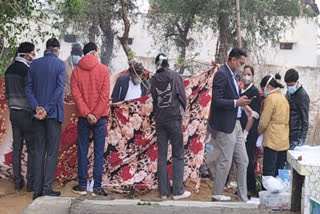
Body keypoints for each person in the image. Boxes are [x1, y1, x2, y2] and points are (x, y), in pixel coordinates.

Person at [25, 38, 65, 200]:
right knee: (51, 152)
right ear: (57, 50)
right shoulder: (60, 64)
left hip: (37, 115)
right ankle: (47, 188)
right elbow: (59, 88)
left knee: (38, 151)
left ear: (46, 48)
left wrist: (37, 107)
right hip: (53, 114)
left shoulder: (34, 64)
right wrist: (47, 109)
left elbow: (27, 87)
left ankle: (37, 190)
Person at [209, 47, 251, 202]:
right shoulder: (221, 74)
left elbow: (234, 95)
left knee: (243, 160)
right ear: (232, 59)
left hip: (237, 123)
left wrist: (243, 105)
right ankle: (217, 193)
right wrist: (236, 102)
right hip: (226, 125)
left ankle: (242, 196)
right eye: (240, 63)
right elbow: (216, 100)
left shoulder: (232, 75)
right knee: (226, 160)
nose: (241, 66)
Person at [71, 42, 110, 196]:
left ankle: (81, 185)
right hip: (100, 118)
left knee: (82, 149)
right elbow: (104, 95)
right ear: (94, 52)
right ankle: (97, 186)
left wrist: (87, 113)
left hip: (83, 117)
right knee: (99, 151)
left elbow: (76, 95)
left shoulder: (75, 71)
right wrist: (96, 114)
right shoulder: (104, 69)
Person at [150, 53, 191, 200]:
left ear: (157, 64)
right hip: (173, 119)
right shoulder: (175, 76)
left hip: (160, 120)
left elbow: (154, 100)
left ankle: (163, 192)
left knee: (161, 156)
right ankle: (178, 191)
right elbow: (182, 97)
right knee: (178, 154)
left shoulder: (153, 80)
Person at [5, 42, 36, 192]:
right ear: (26, 54)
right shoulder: (27, 70)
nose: (33, 56)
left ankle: (17, 181)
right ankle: (30, 183)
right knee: (31, 147)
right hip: (26, 113)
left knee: (17, 148)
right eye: (32, 53)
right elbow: (30, 92)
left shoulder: (9, 70)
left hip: (13, 113)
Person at [258, 74, 289, 179]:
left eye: (263, 89)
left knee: (268, 172)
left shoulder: (270, 99)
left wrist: (258, 132)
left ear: (268, 86)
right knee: (278, 172)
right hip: (284, 139)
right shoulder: (283, 98)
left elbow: (263, 121)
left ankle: (266, 194)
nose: (263, 91)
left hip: (271, 139)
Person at [240, 65, 261, 196]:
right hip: (239, 129)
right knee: (241, 160)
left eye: (249, 74)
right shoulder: (240, 89)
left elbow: (253, 115)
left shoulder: (254, 92)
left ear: (253, 76)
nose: (246, 76)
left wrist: (246, 132)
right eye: (245, 74)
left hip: (249, 132)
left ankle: (250, 187)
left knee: (246, 159)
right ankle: (244, 185)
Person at [284, 69, 310, 150]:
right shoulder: (289, 93)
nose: (289, 87)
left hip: (296, 138)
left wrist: (301, 141)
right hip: (286, 134)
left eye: (291, 85)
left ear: (297, 82)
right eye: (287, 85)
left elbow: (305, 120)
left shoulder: (302, 95)